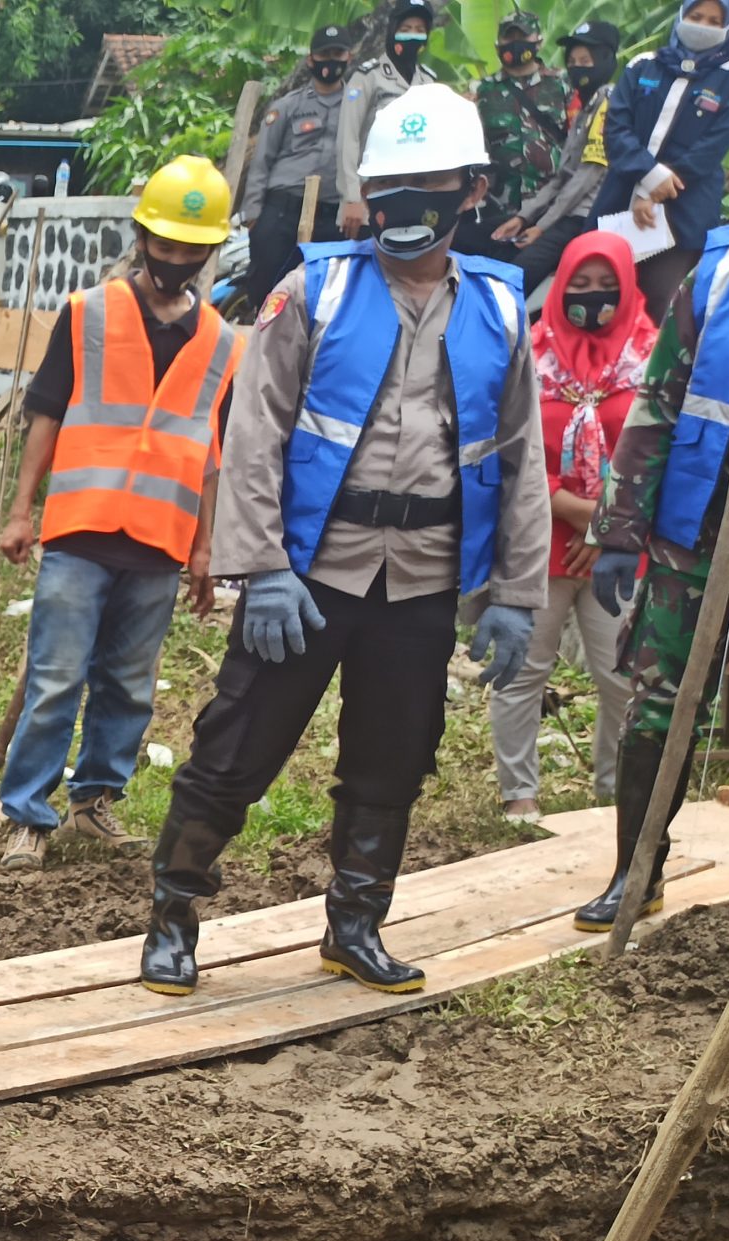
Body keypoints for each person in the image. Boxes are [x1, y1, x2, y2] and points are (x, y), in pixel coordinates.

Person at [143, 85, 548, 997]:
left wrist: (517, 594)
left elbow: (521, 460)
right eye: (388, 188)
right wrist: (260, 569)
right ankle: (172, 916)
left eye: (427, 186)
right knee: (235, 746)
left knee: (393, 755)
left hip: (423, 579)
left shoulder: (498, 309)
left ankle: (355, 924)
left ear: (471, 190)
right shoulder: (312, 289)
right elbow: (253, 436)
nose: (403, 207)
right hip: (310, 574)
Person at [0, 158, 244, 871]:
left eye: (188, 250)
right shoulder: (89, 313)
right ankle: (27, 816)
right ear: (141, 238)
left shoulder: (224, 341)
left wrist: (203, 550)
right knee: (55, 677)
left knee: (130, 687)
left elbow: (210, 453)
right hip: (80, 527)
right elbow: (43, 415)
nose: (173, 261)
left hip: (160, 543)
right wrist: (21, 512)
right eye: (162, 246)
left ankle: (94, 800)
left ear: (208, 251)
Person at [578, 215, 729, 929]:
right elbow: (657, 406)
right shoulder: (720, 275)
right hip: (700, 531)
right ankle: (636, 869)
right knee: (660, 702)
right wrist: (620, 530)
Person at [488, 231, 648, 822]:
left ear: (628, 288)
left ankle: (612, 792)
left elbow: (658, 455)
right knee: (524, 669)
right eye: (578, 285)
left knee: (620, 677)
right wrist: (582, 516)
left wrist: (605, 528)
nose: (592, 297)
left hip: (620, 549)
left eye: (606, 287)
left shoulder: (655, 360)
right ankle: (519, 798)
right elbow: (513, 451)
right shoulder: (530, 356)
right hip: (539, 540)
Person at [594, 0, 729, 318]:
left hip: (684, 212)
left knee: (658, 307)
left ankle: (647, 371)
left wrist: (654, 191)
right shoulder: (642, 65)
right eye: (695, 16)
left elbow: (712, 147)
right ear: (681, 16)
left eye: (713, 20)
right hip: (618, 202)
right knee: (600, 297)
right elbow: (617, 129)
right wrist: (648, 176)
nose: (702, 25)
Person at [487, 19, 625, 295]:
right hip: (563, 211)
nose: (576, 67)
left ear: (606, 60)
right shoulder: (584, 109)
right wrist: (525, 218)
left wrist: (542, 227)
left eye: (585, 60)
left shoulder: (609, 104)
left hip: (586, 215)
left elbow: (586, 177)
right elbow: (563, 175)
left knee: (519, 275)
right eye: (572, 60)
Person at [239, 24, 357, 308]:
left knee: (330, 300)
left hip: (333, 217)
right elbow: (262, 160)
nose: (331, 60)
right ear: (310, 59)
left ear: (348, 57)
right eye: (324, 53)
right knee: (269, 294)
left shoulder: (360, 108)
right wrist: (253, 216)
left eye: (337, 53)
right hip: (282, 214)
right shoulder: (287, 107)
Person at [469, 11, 572, 257]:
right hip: (500, 206)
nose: (514, 43)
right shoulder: (482, 91)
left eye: (522, 36)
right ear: (498, 44)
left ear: (539, 41)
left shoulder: (563, 84)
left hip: (551, 204)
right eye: (508, 37)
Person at [339, 2, 443, 239]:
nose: (413, 35)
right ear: (393, 28)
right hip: (372, 195)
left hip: (417, 196)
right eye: (406, 27)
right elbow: (348, 140)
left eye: (420, 29)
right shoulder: (367, 76)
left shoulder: (428, 80)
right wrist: (352, 198)